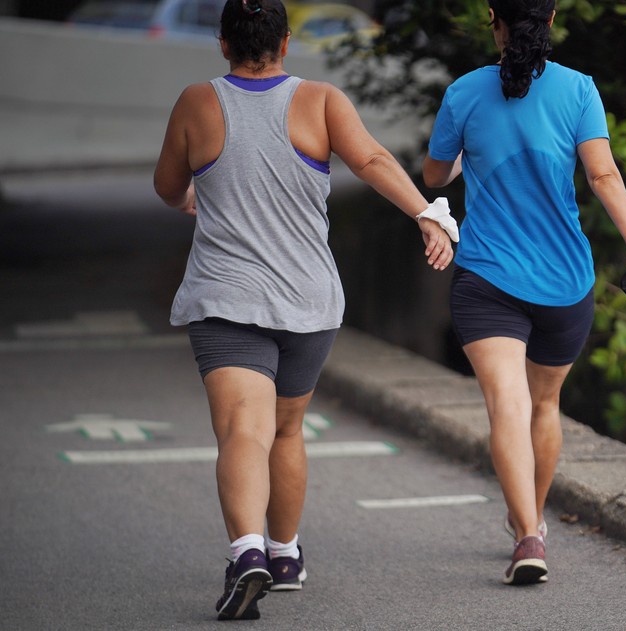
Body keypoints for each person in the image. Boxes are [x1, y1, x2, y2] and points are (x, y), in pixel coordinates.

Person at [154, 0, 456, 620]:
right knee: (287, 430)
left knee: (244, 429)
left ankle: (247, 552)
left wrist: (188, 196)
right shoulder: (320, 101)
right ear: (286, 43)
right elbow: (372, 160)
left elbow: (167, 185)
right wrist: (426, 214)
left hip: (227, 297)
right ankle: (285, 554)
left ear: (223, 43)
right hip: (308, 301)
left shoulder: (196, 103)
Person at [423, 0, 626, 586]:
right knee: (544, 404)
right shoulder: (579, 90)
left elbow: (434, 176)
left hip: (488, 278)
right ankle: (530, 521)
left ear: (494, 21)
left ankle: (527, 533)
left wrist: (468, 153)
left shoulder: (464, 93)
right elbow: (603, 175)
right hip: (564, 282)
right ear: (551, 19)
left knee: (508, 405)